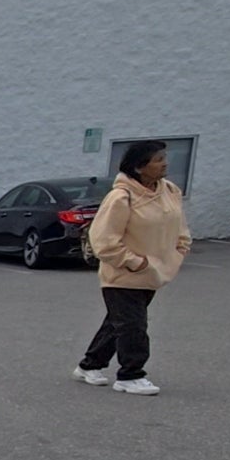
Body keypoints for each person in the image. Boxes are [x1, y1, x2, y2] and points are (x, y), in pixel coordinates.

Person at [73, 140, 191, 395]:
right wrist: (135, 262)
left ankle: (89, 365)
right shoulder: (121, 197)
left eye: (164, 158)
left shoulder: (170, 191)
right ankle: (130, 375)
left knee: (118, 323)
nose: (165, 163)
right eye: (158, 159)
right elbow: (104, 241)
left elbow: (178, 226)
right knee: (133, 326)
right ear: (139, 167)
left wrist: (180, 249)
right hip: (122, 275)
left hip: (154, 273)